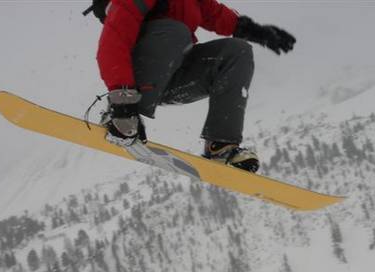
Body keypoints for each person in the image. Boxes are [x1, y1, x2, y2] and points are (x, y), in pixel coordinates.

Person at [92, 0, 296, 173]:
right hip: (132, 83)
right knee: (176, 31)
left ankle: (221, 146)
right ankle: (119, 116)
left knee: (237, 52)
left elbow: (214, 14)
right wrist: (122, 101)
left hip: (171, 73)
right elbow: (113, 40)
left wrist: (255, 31)